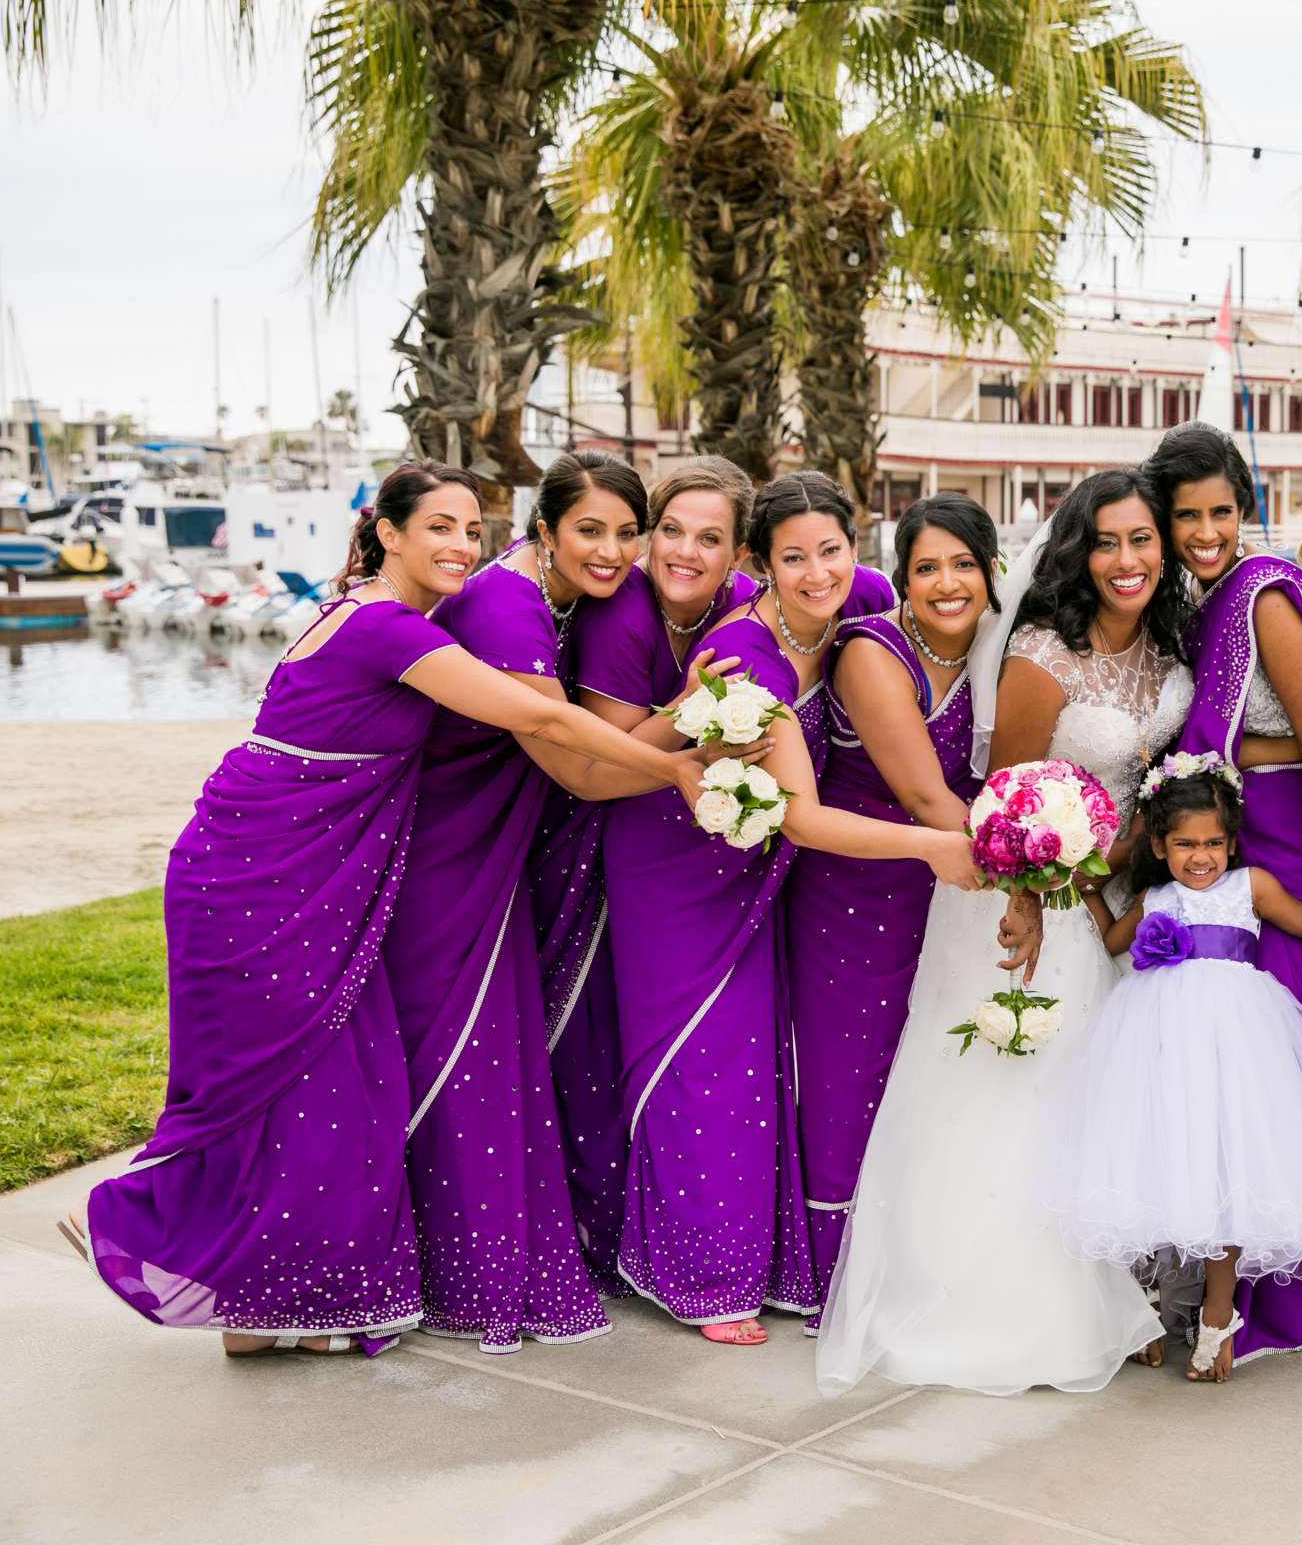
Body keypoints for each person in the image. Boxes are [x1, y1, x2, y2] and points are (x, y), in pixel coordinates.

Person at [58, 462, 719, 1358]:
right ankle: (124, 1213)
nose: (460, 546)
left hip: (311, 868)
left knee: (316, 1087)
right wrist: (676, 749)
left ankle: (257, 1310)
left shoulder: (407, 620)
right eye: (438, 527)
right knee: (267, 1080)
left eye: (472, 532)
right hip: (256, 870)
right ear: (388, 533)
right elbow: (548, 723)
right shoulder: (385, 629)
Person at [815, 466, 1190, 1396]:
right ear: (1076, 550)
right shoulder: (1038, 652)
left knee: (1092, 1093)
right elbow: (1009, 793)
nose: (1125, 558)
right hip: (1023, 895)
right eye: (1105, 540)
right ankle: (1004, 1303)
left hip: (1119, 903)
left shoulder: (1174, 649)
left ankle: (1115, 1286)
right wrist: (1028, 896)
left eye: (1142, 539)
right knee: (1008, 1086)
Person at [608, 475, 969, 1346]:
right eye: (794, 558)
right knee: (706, 1060)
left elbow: (944, 610)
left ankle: (778, 1257)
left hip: (767, 867)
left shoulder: (866, 604)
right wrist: (933, 846)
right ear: (758, 567)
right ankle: (702, 1277)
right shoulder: (749, 663)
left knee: (763, 1065)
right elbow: (802, 813)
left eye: (832, 551)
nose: (818, 573)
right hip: (679, 862)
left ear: (858, 546)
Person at [380, 450, 656, 1352]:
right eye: (589, 530)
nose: (611, 551)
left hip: (498, 842)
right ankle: (434, 1265)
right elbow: (571, 759)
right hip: (449, 849)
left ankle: (442, 1258)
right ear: (543, 530)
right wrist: (698, 747)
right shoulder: (505, 601)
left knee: (488, 1050)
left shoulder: (570, 599)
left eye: (626, 533)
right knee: (455, 1050)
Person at [1149, 422, 1302, 1366]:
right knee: (1231, 1087)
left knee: (1289, 1075)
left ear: (1247, 513)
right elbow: (1247, 743)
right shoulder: (1200, 600)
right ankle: (1225, 1291)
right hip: (1241, 837)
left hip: (1295, 850)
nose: (1209, 530)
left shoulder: (1265, 597)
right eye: (1189, 516)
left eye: (1225, 511)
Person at [1050, 764, 1302, 1383]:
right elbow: (1110, 944)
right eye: (1185, 844)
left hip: (1236, 1041)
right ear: (1159, 846)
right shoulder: (1154, 898)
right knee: (1151, 1159)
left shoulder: (1250, 886)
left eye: (1213, 842)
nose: (1200, 856)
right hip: (1154, 1039)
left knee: (1225, 1167)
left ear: (1231, 843)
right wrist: (1087, 889)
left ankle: (1217, 1312)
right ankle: (1145, 1311)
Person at [543, 456, 757, 1290]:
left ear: (740, 554)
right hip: (594, 827)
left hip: (691, 839)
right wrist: (694, 717)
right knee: (590, 1033)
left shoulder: (745, 605)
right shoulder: (620, 616)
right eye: (669, 530)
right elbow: (609, 762)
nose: (684, 552)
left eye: (710, 539)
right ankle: (599, 1233)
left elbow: (846, 591)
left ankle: (666, 1235)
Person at [784, 494, 995, 1316]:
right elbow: (927, 794)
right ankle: (830, 1273)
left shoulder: (995, 649)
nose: (947, 583)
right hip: (856, 889)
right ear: (901, 580)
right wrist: (1035, 869)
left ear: (989, 572)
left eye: (964, 564)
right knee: (848, 1070)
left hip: (945, 893)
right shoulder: (874, 653)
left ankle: (908, 1250)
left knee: (927, 1072)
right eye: (926, 568)